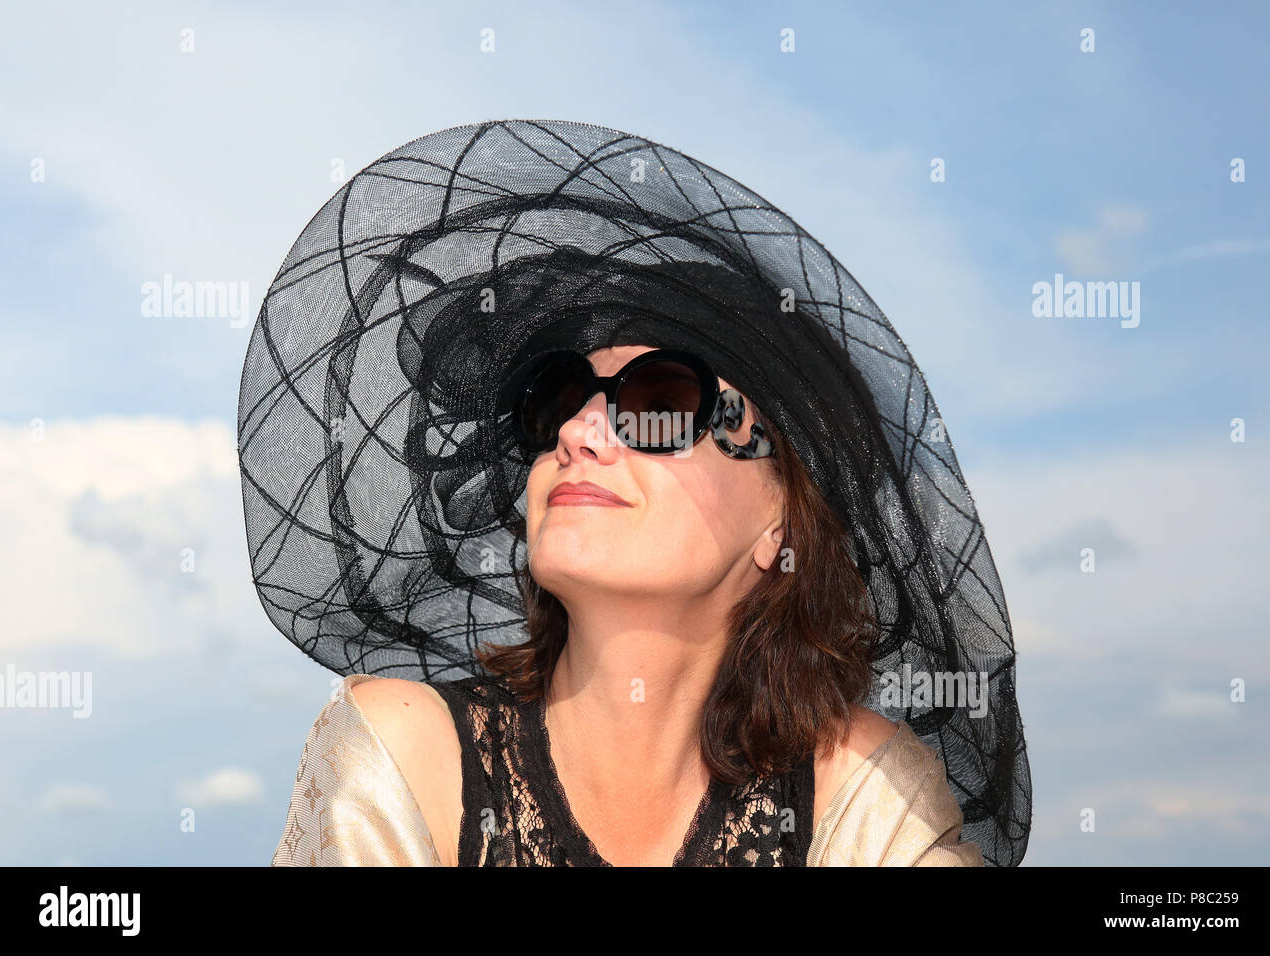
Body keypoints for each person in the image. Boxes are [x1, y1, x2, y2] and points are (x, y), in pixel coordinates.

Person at [242, 120, 1031, 867]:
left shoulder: (863, 795)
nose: (577, 434)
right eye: (556, 401)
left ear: (778, 516)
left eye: (658, 403)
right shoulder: (405, 755)